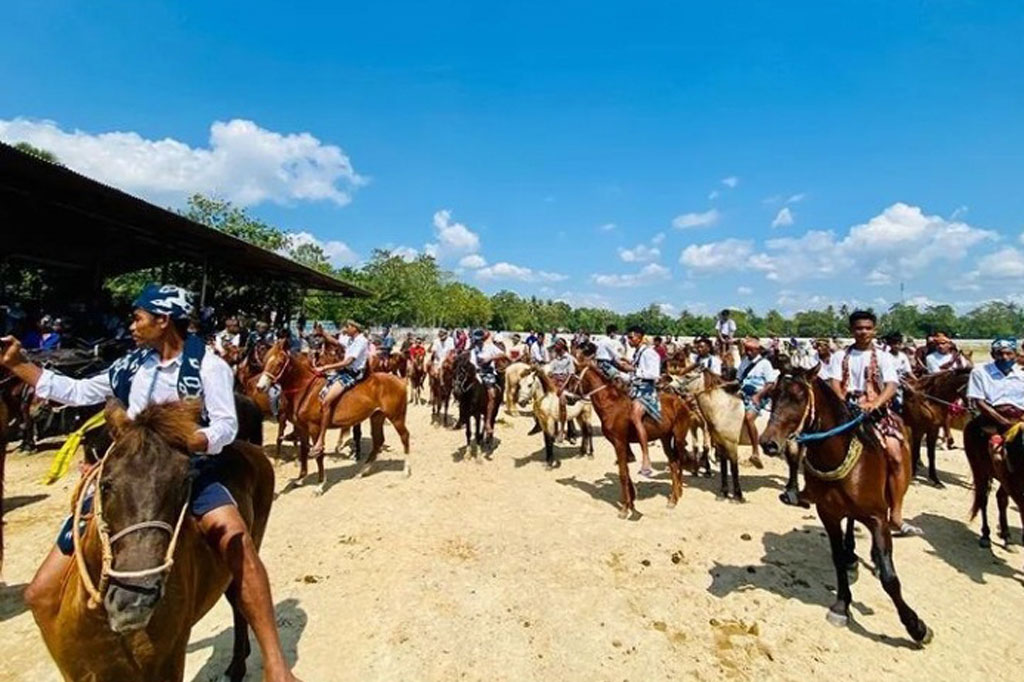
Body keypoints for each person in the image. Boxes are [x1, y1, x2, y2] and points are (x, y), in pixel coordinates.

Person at [0, 284, 301, 682]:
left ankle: (275, 663)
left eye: (138, 318)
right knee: (39, 594)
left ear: (163, 321)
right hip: (131, 473)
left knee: (235, 539)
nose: (132, 325)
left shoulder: (208, 366)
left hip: (189, 469)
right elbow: (78, 391)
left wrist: (194, 440)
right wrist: (20, 365)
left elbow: (226, 426)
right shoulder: (131, 365)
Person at [826, 310, 919, 536]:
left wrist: (874, 403)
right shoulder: (840, 356)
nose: (863, 332)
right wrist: (842, 402)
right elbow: (834, 382)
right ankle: (807, 490)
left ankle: (896, 514)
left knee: (895, 455)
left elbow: (891, 385)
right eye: (859, 328)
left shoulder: (884, 357)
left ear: (874, 330)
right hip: (845, 411)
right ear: (851, 330)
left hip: (875, 412)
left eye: (868, 328)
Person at [311, 319, 369, 456]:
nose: (345, 329)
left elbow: (348, 361)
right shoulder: (350, 339)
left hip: (352, 373)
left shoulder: (361, 341)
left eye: (348, 326)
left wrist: (326, 367)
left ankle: (320, 441)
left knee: (326, 401)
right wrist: (323, 333)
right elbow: (336, 342)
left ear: (355, 328)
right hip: (344, 371)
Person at [966, 338, 1024, 468]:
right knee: (997, 454)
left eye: (1009, 353)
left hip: (1019, 417)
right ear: (993, 355)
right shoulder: (980, 372)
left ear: (1015, 355)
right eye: (1000, 354)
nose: (1005, 357)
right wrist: (1004, 422)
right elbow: (979, 401)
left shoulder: (1021, 374)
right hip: (992, 418)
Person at [621, 326, 662, 478]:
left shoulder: (650, 353)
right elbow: (633, 375)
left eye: (631, 337)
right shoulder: (637, 352)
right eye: (628, 337)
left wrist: (632, 370)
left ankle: (646, 458)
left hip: (646, 392)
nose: (629, 340)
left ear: (639, 337)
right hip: (634, 389)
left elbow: (653, 374)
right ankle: (628, 451)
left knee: (635, 415)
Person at [737, 338, 777, 469]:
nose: (748, 352)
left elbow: (770, 383)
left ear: (758, 350)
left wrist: (758, 396)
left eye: (751, 350)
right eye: (746, 350)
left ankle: (755, 452)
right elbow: (738, 379)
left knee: (749, 417)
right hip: (743, 392)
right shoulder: (744, 362)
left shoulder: (765, 364)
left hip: (759, 395)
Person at [469, 329, 506, 438]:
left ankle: (488, 422)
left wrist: (490, 358)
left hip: (488, 374)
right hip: (476, 374)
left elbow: (503, 355)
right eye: (476, 340)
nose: (478, 342)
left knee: (492, 394)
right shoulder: (473, 351)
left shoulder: (490, 347)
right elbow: (472, 364)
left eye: (479, 340)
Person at [548, 338, 577, 441]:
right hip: (555, 382)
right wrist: (550, 375)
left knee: (562, 402)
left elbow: (570, 374)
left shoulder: (569, 358)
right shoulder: (555, 358)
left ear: (562, 346)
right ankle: (553, 429)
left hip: (565, 383)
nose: (555, 346)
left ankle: (562, 430)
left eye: (557, 344)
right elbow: (551, 371)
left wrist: (563, 386)